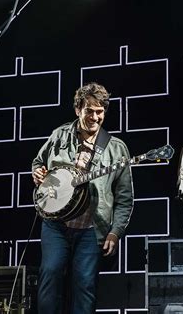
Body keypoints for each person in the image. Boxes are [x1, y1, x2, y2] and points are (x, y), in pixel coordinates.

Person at [32, 82, 134, 313]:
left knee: (85, 286)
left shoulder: (116, 148)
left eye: (100, 112)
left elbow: (125, 197)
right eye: (90, 111)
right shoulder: (59, 134)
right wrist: (37, 172)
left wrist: (115, 232)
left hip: (91, 229)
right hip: (55, 224)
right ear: (78, 109)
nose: (95, 117)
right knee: (49, 275)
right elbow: (39, 162)